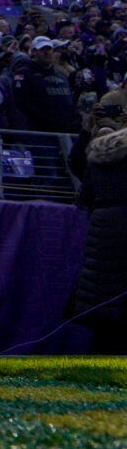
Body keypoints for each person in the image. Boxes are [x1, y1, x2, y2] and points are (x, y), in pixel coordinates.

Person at [69, 88, 127, 353]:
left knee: (104, 301)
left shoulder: (98, 157)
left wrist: (87, 130)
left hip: (101, 233)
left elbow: (83, 194)